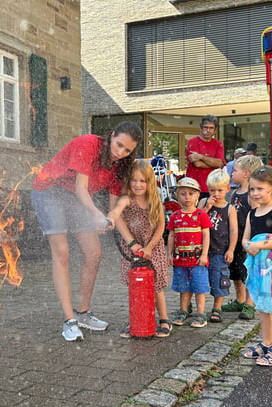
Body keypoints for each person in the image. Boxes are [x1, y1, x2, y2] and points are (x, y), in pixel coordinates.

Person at [31, 122, 142, 341]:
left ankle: (83, 313)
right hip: (49, 191)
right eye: (118, 144)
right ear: (111, 135)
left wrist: (108, 219)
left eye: (127, 150)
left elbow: (112, 207)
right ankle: (69, 320)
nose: (120, 152)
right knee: (62, 252)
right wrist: (94, 214)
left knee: (94, 253)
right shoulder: (88, 144)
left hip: (76, 197)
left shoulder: (120, 166)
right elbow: (81, 188)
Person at [107, 160, 171, 338]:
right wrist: (132, 244)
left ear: (149, 182)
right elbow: (118, 214)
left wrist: (149, 247)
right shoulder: (127, 199)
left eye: (142, 181)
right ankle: (137, 319)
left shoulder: (154, 200)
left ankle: (164, 319)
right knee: (136, 286)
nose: (138, 184)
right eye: (134, 180)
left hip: (153, 247)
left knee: (156, 285)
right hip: (132, 248)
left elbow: (160, 226)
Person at [241, 165, 272, 367]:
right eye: (252, 189)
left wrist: (259, 245)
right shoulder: (252, 214)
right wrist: (247, 246)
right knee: (263, 306)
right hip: (258, 267)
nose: (255, 193)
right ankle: (266, 342)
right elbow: (245, 238)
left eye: (260, 189)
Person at [222, 154, 264, 320]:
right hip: (234, 239)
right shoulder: (234, 193)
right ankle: (239, 299)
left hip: (247, 239)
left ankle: (249, 303)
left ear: (246, 173)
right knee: (236, 272)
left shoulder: (251, 194)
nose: (231, 173)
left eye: (235, 171)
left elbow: (255, 216)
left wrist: (253, 239)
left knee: (248, 272)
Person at [167, 177, 212, 328]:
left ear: (197, 196)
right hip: (181, 260)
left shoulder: (201, 215)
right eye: (183, 194)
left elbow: (206, 235)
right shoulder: (175, 216)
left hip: (198, 260)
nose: (187, 197)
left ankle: (201, 313)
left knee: (199, 287)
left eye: (191, 194)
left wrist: (205, 254)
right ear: (177, 196)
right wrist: (169, 253)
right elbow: (172, 236)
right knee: (184, 287)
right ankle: (183, 310)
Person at [197, 169, 238, 323]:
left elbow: (233, 231)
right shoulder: (203, 202)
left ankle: (217, 307)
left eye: (220, 190)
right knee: (197, 278)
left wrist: (231, 249)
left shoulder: (230, 208)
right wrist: (206, 208)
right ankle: (191, 306)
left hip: (220, 249)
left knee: (219, 278)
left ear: (227, 189)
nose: (216, 193)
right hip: (201, 249)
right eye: (212, 190)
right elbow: (196, 220)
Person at [185, 115, 225, 200]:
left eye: (211, 128)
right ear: (200, 128)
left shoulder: (218, 144)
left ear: (215, 130)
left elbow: (220, 164)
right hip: (195, 186)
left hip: (213, 187)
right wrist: (214, 163)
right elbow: (197, 164)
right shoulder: (193, 142)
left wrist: (200, 156)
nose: (208, 130)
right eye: (205, 127)